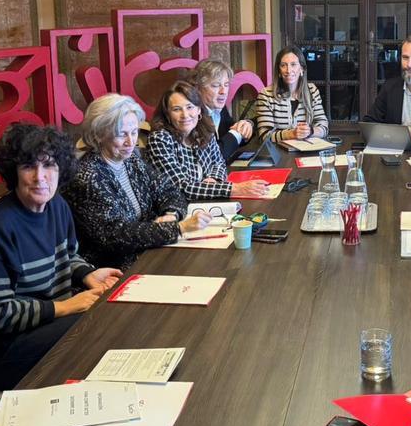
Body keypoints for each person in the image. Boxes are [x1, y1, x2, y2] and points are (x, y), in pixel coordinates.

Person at [0, 124, 123, 391]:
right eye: (28, 167)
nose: (40, 177)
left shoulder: (57, 206)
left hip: (46, 324)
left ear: (61, 169)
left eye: (49, 166)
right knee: (94, 326)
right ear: (13, 173)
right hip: (1, 350)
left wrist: (86, 273)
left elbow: (68, 255)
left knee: (112, 308)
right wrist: (66, 307)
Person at [61, 94, 212, 270]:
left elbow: (168, 190)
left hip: (150, 251)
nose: (131, 141)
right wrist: (178, 228)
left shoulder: (131, 158)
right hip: (115, 268)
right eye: (121, 134)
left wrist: (171, 214)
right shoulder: (87, 177)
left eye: (134, 132)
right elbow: (115, 236)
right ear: (99, 135)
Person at [148, 81, 269, 200]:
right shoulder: (159, 139)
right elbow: (181, 187)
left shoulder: (204, 130)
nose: (185, 115)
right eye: (176, 109)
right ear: (168, 115)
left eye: (189, 107)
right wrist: (236, 189)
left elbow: (219, 163)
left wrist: (215, 179)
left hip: (205, 203)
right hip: (176, 210)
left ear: (199, 110)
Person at [254, 46, 329, 144]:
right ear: (279, 71)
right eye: (283, 65)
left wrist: (310, 131)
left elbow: (324, 127)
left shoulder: (312, 90)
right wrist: (291, 134)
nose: (288, 70)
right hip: (279, 155)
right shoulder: (266, 95)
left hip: (307, 152)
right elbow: (264, 136)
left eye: (293, 64)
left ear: (301, 68)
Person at [189, 58, 254, 163]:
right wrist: (237, 133)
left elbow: (230, 138)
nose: (223, 91)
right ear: (198, 88)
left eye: (226, 85)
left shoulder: (218, 106)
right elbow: (215, 155)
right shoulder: (191, 115)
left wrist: (246, 126)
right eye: (216, 85)